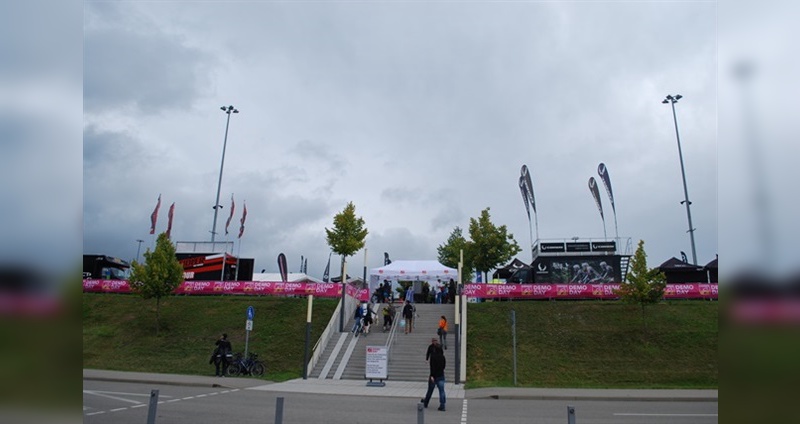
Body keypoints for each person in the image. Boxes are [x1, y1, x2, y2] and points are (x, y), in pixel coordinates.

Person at [421, 344, 446, 411]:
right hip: (441, 375)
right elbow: (444, 367)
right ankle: (442, 405)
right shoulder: (443, 357)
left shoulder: (433, 357)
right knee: (442, 391)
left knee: (430, 390)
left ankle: (426, 403)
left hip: (434, 376)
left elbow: (432, 367)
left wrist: (432, 375)